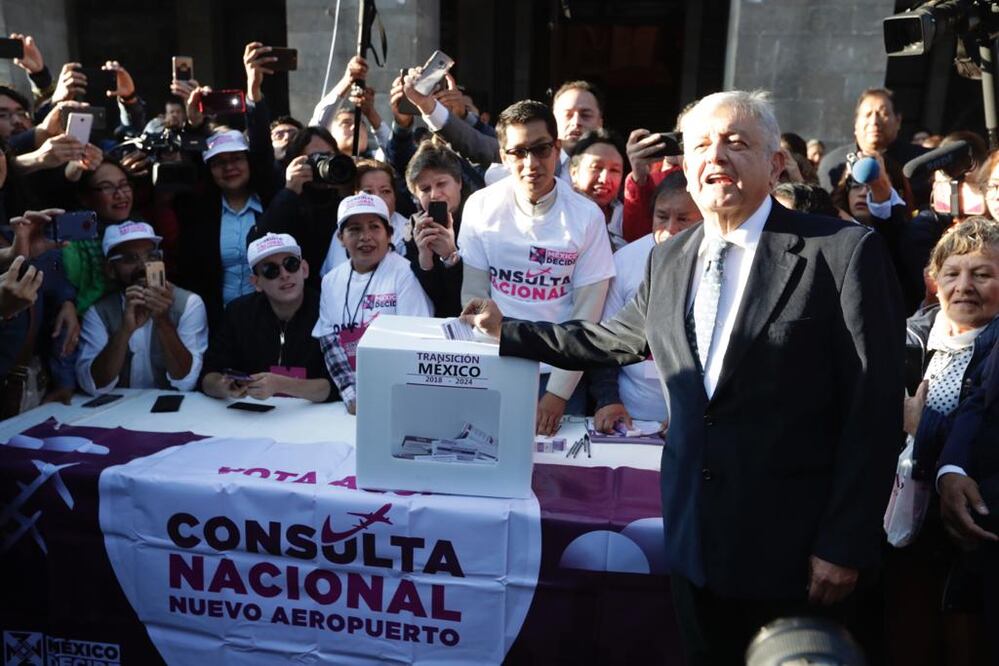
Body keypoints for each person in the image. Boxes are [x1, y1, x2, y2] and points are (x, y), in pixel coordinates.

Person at [463, 90, 904, 664]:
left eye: (736, 142)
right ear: (686, 166)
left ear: (775, 164)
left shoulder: (841, 253)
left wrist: (844, 542)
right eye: (701, 145)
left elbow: (873, 412)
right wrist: (508, 331)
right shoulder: (670, 258)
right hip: (693, 544)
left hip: (796, 554)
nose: (715, 156)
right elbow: (608, 339)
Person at [458, 99, 615, 435]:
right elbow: (473, 292)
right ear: (503, 156)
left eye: (541, 149)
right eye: (518, 152)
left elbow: (587, 316)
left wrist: (558, 393)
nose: (531, 163)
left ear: (557, 149)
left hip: (560, 375)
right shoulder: (480, 207)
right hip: (494, 366)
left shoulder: (587, 216)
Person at [888, 216, 999, 665]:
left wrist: (923, 425)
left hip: (969, 536)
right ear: (933, 282)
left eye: (983, 274)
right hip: (900, 533)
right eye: (952, 273)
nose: (964, 286)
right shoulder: (904, 339)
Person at [589, 170, 702, 433]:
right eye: (662, 217)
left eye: (683, 219)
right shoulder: (626, 261)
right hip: (629, 416)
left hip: (694, 420)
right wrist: (608, 400)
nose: (670, 229)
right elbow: (604, 342)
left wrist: (692, 414)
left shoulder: (719, 265)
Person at [313, 193, 432, 414]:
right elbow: (330, 344)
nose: (365, 237)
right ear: (340, 238)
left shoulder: (405, 273)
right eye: (354, 229)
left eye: (374, 227)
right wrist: (351, 394)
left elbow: (417, 343)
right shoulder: (330, 281)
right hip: (353, 402)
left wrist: (384, 397)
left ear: (390, 234)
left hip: (399, 398)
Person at [201, 232, 336, 404]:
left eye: (291, 264)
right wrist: (224, 386)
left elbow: (336, 385)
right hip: (253, 414)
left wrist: (281, 384)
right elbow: (207, 376)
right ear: (256, 282)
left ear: (304, 269)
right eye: (271, 270)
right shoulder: (238, 313)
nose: (284, 274)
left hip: (315, 414)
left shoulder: (329, 310)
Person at [76, 221, 207, 395]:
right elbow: (93, 384)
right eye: (130, 259)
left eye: (151, 257)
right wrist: (125, 331)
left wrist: (163, 321)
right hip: (118, 408)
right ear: (110, 269)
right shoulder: (98, 312)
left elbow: (187, 381)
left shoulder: (189, 303)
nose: (143, 266)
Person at [818, 88, 927, 205]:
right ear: (856, 122)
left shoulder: (920, 162)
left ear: (898, 120)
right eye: (867, 115)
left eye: (883, 114)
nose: (874, 121)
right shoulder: (832, 163)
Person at [403, 141, 468, 317]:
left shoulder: (482, 219)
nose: (434, 194)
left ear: (459, 182)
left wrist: (451, 258)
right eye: (425, 189)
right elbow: (430, 302)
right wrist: (425, 261)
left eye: (441, 184)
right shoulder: (414, 230)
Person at [568, 129, 627, 250]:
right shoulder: (560, 213)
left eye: (614, 170)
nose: (604, 179)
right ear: (574, 172)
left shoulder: (627, 215)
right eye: (596, 167)